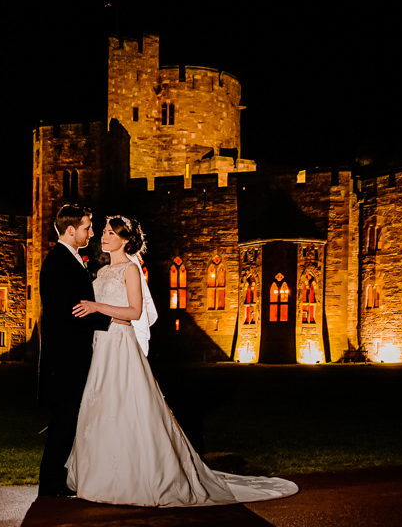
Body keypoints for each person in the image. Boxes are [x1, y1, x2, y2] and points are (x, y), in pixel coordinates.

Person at [65, 216, 299, 507]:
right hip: (100, 346)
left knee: (126, 405)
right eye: (103, 231)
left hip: (121, 345)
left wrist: (97, 306)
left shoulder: (131, 270)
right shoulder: (100, 272)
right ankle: (98, 476)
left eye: (111, 232)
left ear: (126, 239)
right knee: (100, 406)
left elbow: (136, 311)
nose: (104, 236)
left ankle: (136, 477)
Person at [38, 203, 111, 497]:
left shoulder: (71, 260)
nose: (91, 233)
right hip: (66, 358)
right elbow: (69, 312)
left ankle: (56, 479)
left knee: (68, 420)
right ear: (71, 230)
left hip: (71, 355)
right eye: (86, 228)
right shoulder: (58, 262)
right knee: (63, 420)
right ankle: (51, 483)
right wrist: (111, 319)